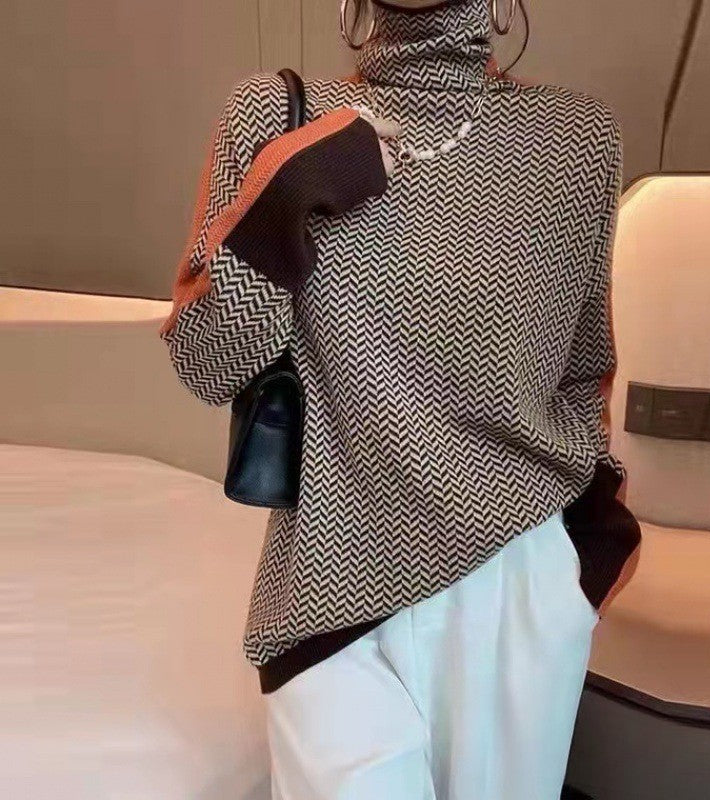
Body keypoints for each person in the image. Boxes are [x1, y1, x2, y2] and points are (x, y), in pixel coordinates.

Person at [158, 0, 642, 797]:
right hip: (328, 600)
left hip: (516, 586)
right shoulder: (275, 115)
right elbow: (207, 363)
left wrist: (583, 563)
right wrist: (288, 194)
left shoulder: (578, 138)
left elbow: (585, 366)